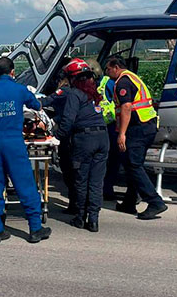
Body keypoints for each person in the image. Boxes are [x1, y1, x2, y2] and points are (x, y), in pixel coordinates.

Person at [0, 56, 52, 244]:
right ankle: (35, 229)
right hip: (13, 143)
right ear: (12, 72)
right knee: (25, 184)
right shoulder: (19, 89)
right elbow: (36, 105)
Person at [105, 56, 168, 220]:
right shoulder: (131, 77)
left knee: (133, 164)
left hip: (138, 127)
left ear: (116, 67)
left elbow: (126, 107)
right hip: (147, 126)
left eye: (108, 69)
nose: (106, 72)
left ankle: (154, 201)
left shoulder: (123, 82)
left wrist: (121, 134)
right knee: (130, 162)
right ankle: (129, 201)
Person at [53, 58, 108, 232]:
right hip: (102, 138)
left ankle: (80, 217)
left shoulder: (74, 94)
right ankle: (93, 219)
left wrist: (57, 137)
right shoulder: (94, 93)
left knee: (82, 180)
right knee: (96, 182)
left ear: (72, 77)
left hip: (85, 140)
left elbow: (68, 121)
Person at [38, 73, 77, 214]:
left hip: (66, 135)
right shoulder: (78, 92)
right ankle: (76, 204)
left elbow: (48, 100)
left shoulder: (64, 90)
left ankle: (75, 204)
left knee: (68, 169)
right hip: (76, 134)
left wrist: (32, 100)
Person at [96, 65, 121, 201]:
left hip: (98, 124)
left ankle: (100, 188)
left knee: (101, 159)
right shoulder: (110, 82)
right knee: (113, 158)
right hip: (111, 123)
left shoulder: (89, 84)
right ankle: (108, 188)